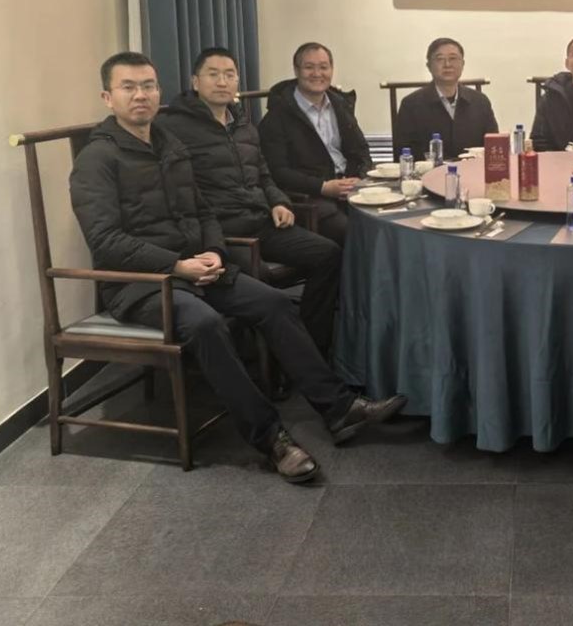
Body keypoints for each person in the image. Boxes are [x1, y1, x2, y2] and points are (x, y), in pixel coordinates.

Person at [70, 52, 406, 483]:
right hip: (141, 282)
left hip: (199, 266)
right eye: (129, 87)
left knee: (274, 303)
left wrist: (213, 250)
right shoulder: (97, 159)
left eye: (148, 86)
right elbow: (105, 241)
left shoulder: (169, 145)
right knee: (207, 324)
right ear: (108, 97)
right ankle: (271, 438)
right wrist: (177, 265)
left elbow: (203, 210)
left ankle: (339, 408)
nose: (141, 95)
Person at [158, 47, 342, 355]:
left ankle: (311, 344)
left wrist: (279, 202)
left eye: (229, 75)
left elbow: (265, 174)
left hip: (261, 223)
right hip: (223, 233)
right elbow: (179, 192)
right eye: (213, 75)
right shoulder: (174, 128)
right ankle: (264, 357)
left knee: (328, 253)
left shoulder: (242, 123)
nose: (222, 82)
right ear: (195, 82)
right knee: (264, 284)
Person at [259, 42, 372, 248]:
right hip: (311, 199)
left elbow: (361, 151)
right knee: (357, 234)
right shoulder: (277, 116)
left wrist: (359, 178)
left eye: (323, 67)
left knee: (388, 224)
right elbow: (277, 171)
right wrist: (323, 187)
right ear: (296, 71)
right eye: (309, 67)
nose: (317, 73)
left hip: (351, 190)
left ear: (332, 69)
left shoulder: (340, 105)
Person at [392, 37, 499, 160]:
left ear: (462, 64)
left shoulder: (480, 102)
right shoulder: (411, 105)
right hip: (429, 171)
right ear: (429, 66)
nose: (447, 65)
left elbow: (494, 147)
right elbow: (402, 154)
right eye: (440, 59)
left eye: (453, 58)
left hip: (472, 170)